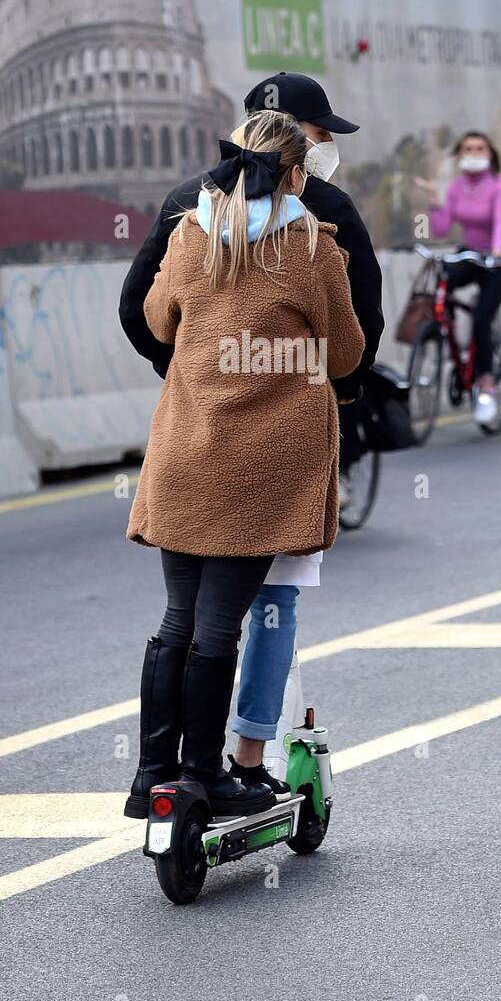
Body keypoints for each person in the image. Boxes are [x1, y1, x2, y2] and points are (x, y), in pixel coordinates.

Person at [119, 72, 383, 794]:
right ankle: (210, 776)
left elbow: (153, 319)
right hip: (260, 469)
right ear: (293, 171)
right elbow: (350, 350)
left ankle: (152, 776)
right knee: (221, 629)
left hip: (185, 449)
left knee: (178, 619)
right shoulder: (310, 244)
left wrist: (201, 365)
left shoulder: (189, 231)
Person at [414, 130, 501, 426]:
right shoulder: (457, 187)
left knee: (483, 318)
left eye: (479, 148)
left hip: (500, 258)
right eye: (467, 149)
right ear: (460, 155)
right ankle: (443, 333)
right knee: (440, 281)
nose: (473, 153)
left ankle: (486, 384)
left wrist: (497, 250)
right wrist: (435, 199)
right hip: (470, 253)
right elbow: (442, 228)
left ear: (490, 153)